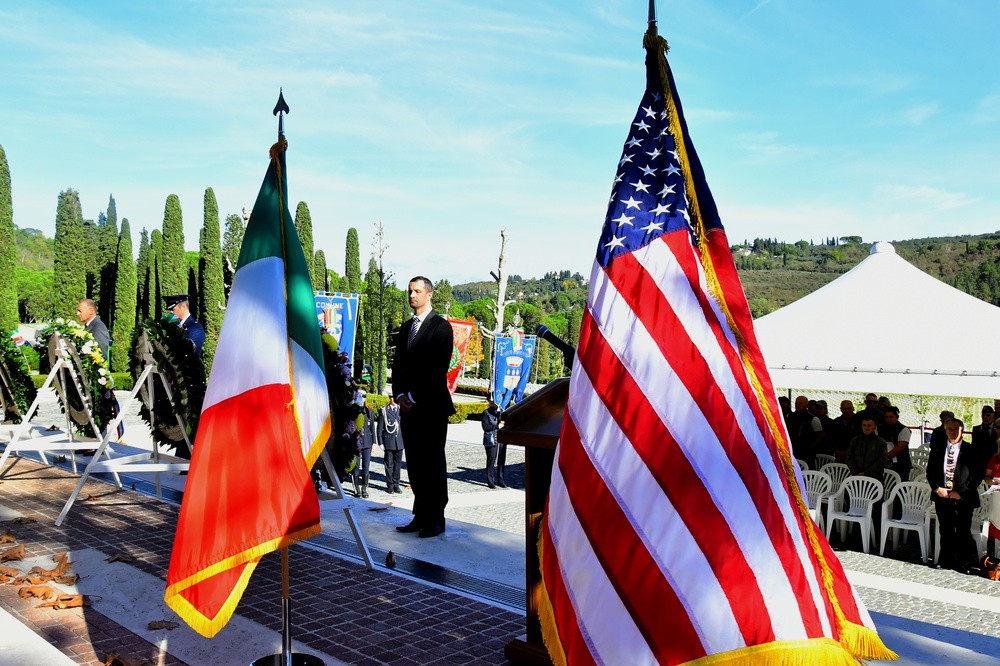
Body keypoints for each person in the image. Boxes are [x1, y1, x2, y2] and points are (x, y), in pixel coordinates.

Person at [393, 276, 455, 538]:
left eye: (417, 291)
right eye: (410, 291)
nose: (412, 295)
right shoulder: (407, 328)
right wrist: (399, 396)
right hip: (409, 407)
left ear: (429, 294)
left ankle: (436, 519)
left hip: (431, 407)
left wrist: (413, 395)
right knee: (415, 464)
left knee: (432, 463)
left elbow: (436, 368)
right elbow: (397, 367)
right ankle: (419, 516)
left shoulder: (441, 327)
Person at [927, 418, 988, 573]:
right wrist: (937, 489)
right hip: (943, 496)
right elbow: (931, 472)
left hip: (963, 497)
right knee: (945, 529)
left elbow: (977, 474)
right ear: (945, 430)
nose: (952, 432)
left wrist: (960, 492)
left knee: (962, 530)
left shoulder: (972, 450)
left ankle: (964, 562)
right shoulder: (938, 448)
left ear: (961, 430)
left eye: (955, 429)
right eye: (949, 429)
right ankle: (946, 560)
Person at [786, 395, 823, 469]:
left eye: (800, 403)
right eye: (796, 403)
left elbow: (820, 436)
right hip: (792, 451)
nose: (798, 405)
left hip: (807, 454)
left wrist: (810, 447)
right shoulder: (789, 416)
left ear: (806, 405)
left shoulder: (813, 419)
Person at [351, 391, 376, 498]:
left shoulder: (369, 411)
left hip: (367, 442)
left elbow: (372, 429)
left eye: (364, 396)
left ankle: (364, 488)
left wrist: (374, 443)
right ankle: (356, 489)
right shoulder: (353, 411)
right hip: (356, 442)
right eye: (361, 396)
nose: (363, 398)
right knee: (356, 466)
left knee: (366, 466)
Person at [878, 406, 912, 481]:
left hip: (900, 465)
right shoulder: (879, 428)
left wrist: (885, 457)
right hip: (883, 465)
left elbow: (900, 447)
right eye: (886, 417)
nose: (888, 419)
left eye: (891, 417)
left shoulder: (903, 429)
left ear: (897, 417)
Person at [378, 395, 404, 494]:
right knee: (389, 465)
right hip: (388, 441)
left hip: (399, 442)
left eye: (394, 397)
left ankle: (396, 484)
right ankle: (390, 485)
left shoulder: (400, 409)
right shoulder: (384, 410)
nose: (393, 399)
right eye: (391, 397)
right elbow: (380, 427)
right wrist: (380, 442)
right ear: (389, 398)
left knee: (397, 465)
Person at [481, 398, 501, 489]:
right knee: (491, 461)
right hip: (491, 439)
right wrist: (497, 426)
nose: (492, 402)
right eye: (491, 400)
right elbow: (485, 427)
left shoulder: (501, 411)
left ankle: (501, 480)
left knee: (500, 460)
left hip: (500, 439)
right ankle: (490, 481)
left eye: (494, 400)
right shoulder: (486, 413)